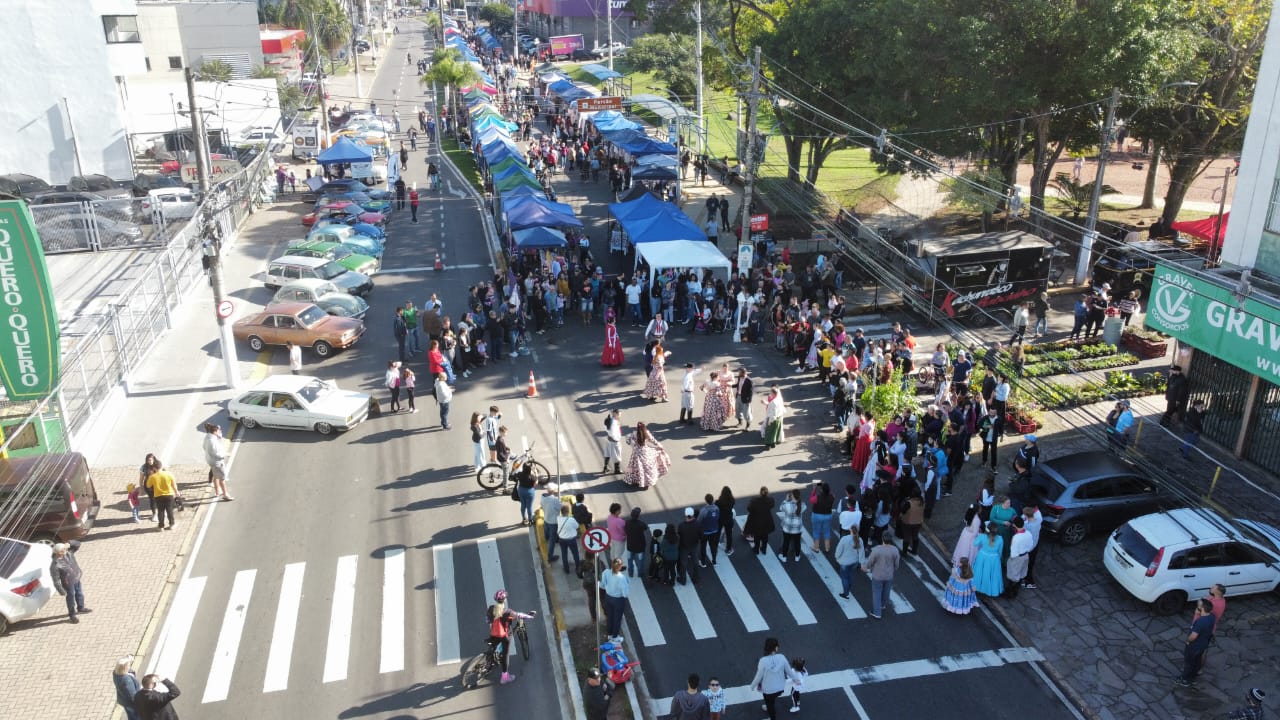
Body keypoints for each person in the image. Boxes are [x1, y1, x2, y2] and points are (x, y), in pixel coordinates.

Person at [486, 590, 536, 684]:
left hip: (494, 633)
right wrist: (530, 616)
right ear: (504, 600)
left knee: (492, 647)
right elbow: (519, 615)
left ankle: (488, 662)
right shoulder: (507, 612)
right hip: (504, 635)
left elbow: (487, 621)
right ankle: (504, 677)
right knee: (505, 655)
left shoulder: (491, 608)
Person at [750, 637, 801, 720]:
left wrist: (752, 686)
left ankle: (772, 716)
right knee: (772, 699)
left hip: (768, 689)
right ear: (776, 648)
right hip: (780, 687)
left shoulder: (763, 661)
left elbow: (758, 676)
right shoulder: (782, 657)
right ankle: (769, 707)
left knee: (769, 703)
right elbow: (789, 671)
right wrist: (796, 680)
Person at [1176, 599, 1217, 687]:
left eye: (1198, 605)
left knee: (1189, 663)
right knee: (1197, 661)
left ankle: (1185, 680)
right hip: (1203, 644)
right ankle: (1193, 676)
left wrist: (1188, 640)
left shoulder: (1201, 621)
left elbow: (1194, 636)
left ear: (1201, 608)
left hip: (1194, 646)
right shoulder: (1212, 616)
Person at [622, 422, 671, 490]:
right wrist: (659, 445)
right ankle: (646, 481)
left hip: (636, 452)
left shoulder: (634, 433)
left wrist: (633, 443)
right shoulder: (647, 433)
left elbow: (628, 441)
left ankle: (635, 480)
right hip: (645, 451)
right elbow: (653, 440)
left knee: (635, 467)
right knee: (647, 467)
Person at [863, 532, 900, 619]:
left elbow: (870, 561)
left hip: (877, 575)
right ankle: (883, 605)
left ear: (882, 539)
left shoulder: (877, 550)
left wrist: (866, 567)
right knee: (886, 590)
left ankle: (877, 612)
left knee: (876, 592)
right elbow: (897, 564)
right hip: (889, 575)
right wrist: (894, 569)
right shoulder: (895, 550)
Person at [50, 542, 90, 623]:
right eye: (62, 550)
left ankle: (81, 607)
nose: (64, 551)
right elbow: (56, 580)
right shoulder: (55, 565)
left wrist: (69, 543)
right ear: (57, 552)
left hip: (76, 578)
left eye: (64, 549)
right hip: (68, 583)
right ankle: (72, 615)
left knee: (79, 593)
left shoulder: (69, 553)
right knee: (71, 598)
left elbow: (77, 544)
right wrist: (61, 590)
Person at [971, 522, 1005, 597]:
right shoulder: (1000, 539)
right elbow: (1000, 551)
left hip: (982, 557)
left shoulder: (982, 536)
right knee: (992, 575)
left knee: (980, 572)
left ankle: (978, 587)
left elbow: (975, 543)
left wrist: (979, 535)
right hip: (994, 559)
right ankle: (989, 590)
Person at [600, 558, 629, 644]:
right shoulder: (622, 578)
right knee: (617, 619)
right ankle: (615, 637)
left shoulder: (606, 572)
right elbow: (625, 593)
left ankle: (609, 634)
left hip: (608, 597)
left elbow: (602, 585)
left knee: (610, 616)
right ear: (620, 567)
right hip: (618, 600)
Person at [202, 423, 233, 501]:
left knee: (216, 476)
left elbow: (204, 447)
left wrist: (219, 437)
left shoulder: (208, 437)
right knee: (222, 478)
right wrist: (225, 455)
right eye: (219, 430)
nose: (220, 431)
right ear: (215, 432)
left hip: (211, 461)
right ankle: (225, 494)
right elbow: (216, 453)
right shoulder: (212, 441)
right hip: (217, 462)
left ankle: (217, 492)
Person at [146, 461, 179, 531]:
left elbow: (148, 485)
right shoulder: (169, 474)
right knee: (169, 510)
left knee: (160, 511)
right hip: (169, 495)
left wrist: (151, 476)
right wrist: (176, 492)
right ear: (161, 466)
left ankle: (161, 526)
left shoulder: (152, 476)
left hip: (158, 496)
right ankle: (172, 524)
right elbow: (174, 484)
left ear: (154, 468)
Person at [743, 486, 776, 556]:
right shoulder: (770, 500)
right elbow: (772, 505)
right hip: (767, 520)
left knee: (757, 536)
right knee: (765, 536)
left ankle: (756, 549)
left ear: (760, 492)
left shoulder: (754, 501)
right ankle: (764, 549)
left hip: (756, 521)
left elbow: (749, 509)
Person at [834, 526, 863, 600]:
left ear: (850, 530)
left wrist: (837, 557)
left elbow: (839, 550)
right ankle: (849, 588)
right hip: (854, 562)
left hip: (844, 562)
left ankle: (846, 593)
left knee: (844, 577)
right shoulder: (859, 540)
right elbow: (861, 552)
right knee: (851, 575)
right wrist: (861, 562)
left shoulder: (844, 539)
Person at [676, 507, 701, 585]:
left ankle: (683, 580)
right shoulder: (698, 524)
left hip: (684, 546)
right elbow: (701, 535)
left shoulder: (681, 525)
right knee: (695, 562)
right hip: (694, 545)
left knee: (683, 563)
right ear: (693, 514)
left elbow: (679, 535)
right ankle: (696, 578)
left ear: (685, 515)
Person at [696, 494, 722, 567]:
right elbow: (718, 517)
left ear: (706, 500)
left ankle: (703, 562)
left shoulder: (704, 510)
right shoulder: (717, 508)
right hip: (714, 531)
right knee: (713, 546)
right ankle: (714, 561)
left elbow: (698, 521)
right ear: (713, 500)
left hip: (705, 532)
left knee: (703, 546)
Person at [114, 655, 142, 720]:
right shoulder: (127, 681)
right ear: (125, 668)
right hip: (131, 703)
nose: (130, 666)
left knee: (131, 715)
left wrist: (128, 659)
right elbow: (133, 696)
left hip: (124, 700)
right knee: (136, 716)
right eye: (129, 665)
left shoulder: (116, 673)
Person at [603, 409, 623, 475]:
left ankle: (605, 467)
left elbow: (606, 429)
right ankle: (617, 470)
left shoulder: (609, 420)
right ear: (615, 414)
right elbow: (613, 433)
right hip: (614, 440)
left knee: (607, 453)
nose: (620, 416)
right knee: (617, 455)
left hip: (609, 439)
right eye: (619, 415)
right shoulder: (614, 422)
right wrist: (616, 439)